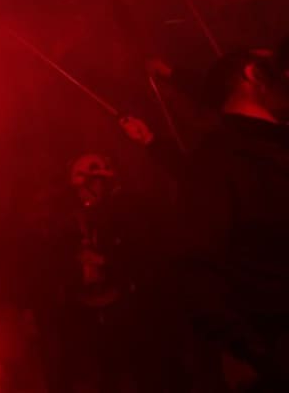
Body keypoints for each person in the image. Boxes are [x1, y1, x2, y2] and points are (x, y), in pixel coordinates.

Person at [174, 48, 289, 391]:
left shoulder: (274, 149)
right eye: (280, 68)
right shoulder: (217, 163)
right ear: (255, 74)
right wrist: (259, 353)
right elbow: (195, 267)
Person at [32, 153, 172, 393]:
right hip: (83, 314)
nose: (88, 193)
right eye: (84, 186)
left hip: (125, 309)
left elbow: (145, 255)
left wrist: (107, 261)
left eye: (95, 184)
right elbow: (47, 265)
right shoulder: (62, 221)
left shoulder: (126, 214)